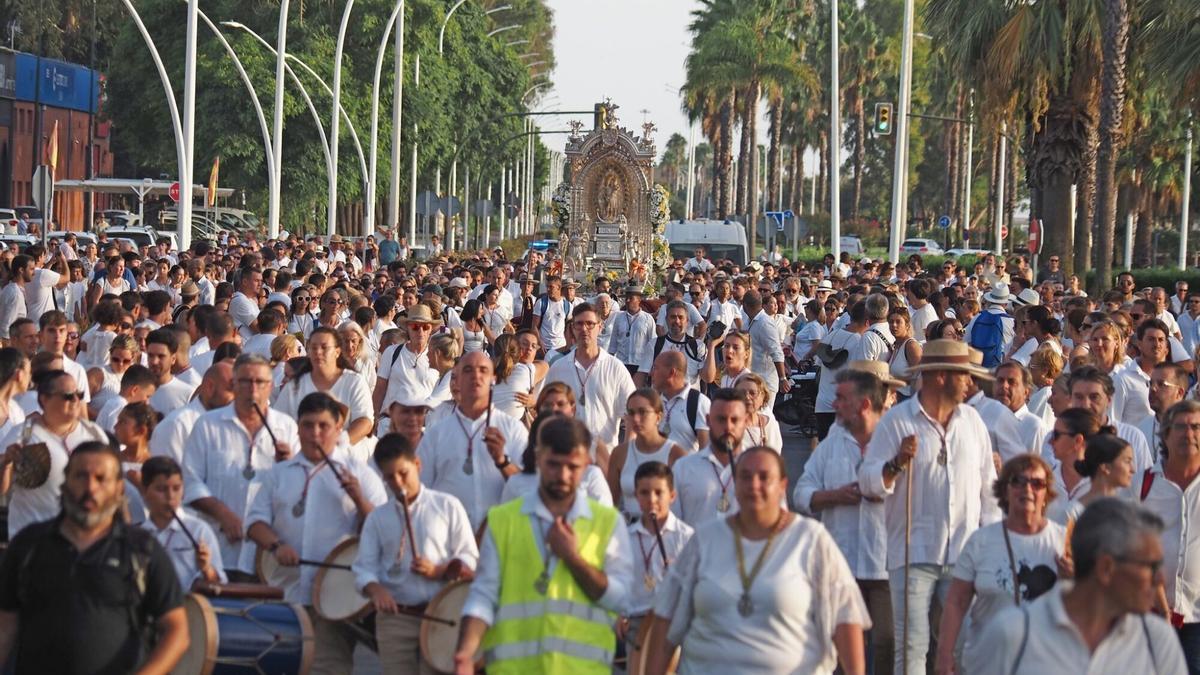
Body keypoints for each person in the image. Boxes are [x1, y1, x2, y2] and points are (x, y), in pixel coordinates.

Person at [647, 446, 870, 674]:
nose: (754, 485)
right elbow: (666, 618)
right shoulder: (704, 540)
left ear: (783, 486)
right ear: (734, 482)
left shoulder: (811, 540)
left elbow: (845, 619)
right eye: (745, 477)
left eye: (764, 477)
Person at [858, 339, 1001, 675]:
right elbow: (868, 481)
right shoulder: (897, 421)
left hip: (964, 555)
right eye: (964, 375)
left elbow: (989, 491)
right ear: (940, 377)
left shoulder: (973, 422)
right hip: (912, 554)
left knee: (963, 648)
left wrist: (990, 546)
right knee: (911, 651)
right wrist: (895, 464)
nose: (970, 382)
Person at [454, 416, 634, 675]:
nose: (562, 475)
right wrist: (466, 652)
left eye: (572, 467)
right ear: (538, 458)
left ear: (587, 464)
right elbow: (484, 594)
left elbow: (620, 599)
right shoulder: (503, 520)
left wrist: (573, 558)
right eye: (553, 464)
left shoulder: (607, 522)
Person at [0, 441, 190, 674]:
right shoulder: (28, 545)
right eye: (81, 476)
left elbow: (177, 631)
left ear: (119, 489)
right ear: (66, 481)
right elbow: (5, 626)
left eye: (101, 479)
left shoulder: (142, 550)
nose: (90, 487)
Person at [246, 391, 387, 674]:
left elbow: (384, 530)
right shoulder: (278, 474)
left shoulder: (360, 474)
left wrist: (359, 499)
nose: (315, 433)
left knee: (328, 668)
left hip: (334, 602)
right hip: (284, 596)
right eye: (308, 425)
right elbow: (255, 524)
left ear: (338, 429)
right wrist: (276, 547)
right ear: (298, 428)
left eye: (324, 426)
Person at [966, 498, 1185, 674]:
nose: (1160, 581)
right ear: (1106, 568)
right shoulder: (1013, 635)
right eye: (1150, 567)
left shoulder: (1157, 641)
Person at [796, 361, 905, 675]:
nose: (834, 404)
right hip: (841, 563)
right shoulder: (832, 443)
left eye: (842, 398)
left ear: (865, 402)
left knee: (887, 642)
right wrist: (833, 496)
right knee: (841, 646)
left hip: (886, 564)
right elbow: (802, 492)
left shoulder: (900, 442)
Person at [354, 433, 479, 674]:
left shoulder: (447, 505)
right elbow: (363, 568)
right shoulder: (378, 519)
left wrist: (439, 570)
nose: (399, 483)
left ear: (418, 465)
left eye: (404, 473)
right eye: (390, 478)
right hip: (395, 618)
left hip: (441, 612)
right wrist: (375, 589)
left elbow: (469, 558)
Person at [935, 454, 1069, 673]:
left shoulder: (1063, 542)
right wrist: (944, 655)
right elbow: (956, 601)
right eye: (1018, 481)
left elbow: (1085, 604)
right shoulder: (981, 541)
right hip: (989, 661)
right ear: (1005, 491)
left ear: (1046, 494)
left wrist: (1073, 578)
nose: (1027, 489)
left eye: (1037, 483)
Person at [183, 354, 299, 579]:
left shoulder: (286, 427)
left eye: (260, 383)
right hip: (218, 550)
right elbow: (190, 481)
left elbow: (298, 488)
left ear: (271, 386)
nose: (253, 390)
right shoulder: (208, 425)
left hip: (266, 556)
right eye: (245, 381)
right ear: (234, 384)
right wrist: (223, 514)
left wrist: (289, 466)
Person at [417, 351, 528, 530]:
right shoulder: (436, 434)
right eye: (468, 370)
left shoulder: (512, 429)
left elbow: (529, 488)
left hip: (499, 536)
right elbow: (421, 493)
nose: (476, 375)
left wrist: (503, 461)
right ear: (457, 380)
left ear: (493, 379)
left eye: (483, 370)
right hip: (449, 539)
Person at [0, 370, 110, 537]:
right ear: (44, 399)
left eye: (78, 394)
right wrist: (6, 463)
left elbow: (112, 486)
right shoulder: (23, 435)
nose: (75, 400)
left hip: (80, 544)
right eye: (67, 396)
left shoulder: (94, 434)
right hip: (32, 544)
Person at [1137, 399, 1200, 670]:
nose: (1189, 434)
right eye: (1181, 427)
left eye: (1197, 427)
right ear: (1165, 434)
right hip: (1149, 613)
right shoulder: (1142, 484)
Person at [544, 303, 635, 451]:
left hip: (603, 457)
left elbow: (633, 414)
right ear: (573, 328)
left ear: (600, 327)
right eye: (579, 324)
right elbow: (546, 413)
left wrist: (625, 453)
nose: (584, 329)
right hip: (566, 456)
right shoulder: (558, 368)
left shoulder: (615, 368)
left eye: (590, 324)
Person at [139, 455, 227, 591]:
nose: (170, 497)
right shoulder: (138, 535)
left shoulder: (199, 530)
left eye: (176, 488)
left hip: (189, 606)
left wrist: (206, 568)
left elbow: (219, 584)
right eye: (161, 489)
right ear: (144, 491)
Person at [274, 327, 374, 446]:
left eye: (324, 347)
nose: (318, 352)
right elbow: (278, 422)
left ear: (337, 352)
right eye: (314, 348)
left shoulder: (354, 382)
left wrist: (338, 444)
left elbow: (365, 421)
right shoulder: (295, 385)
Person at [671, 387, 753, 526]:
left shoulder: (759, 469)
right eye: (721, 419)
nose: (728, 427)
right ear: (708, 420)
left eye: (735, 420)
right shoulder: (683, 469)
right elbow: (672, 525)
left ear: (745, 421)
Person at [607, 388, 688, 520]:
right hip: (630, 533)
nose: (636, 419)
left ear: (658, 416)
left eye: (642, 412)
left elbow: (686, 505)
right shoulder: (620, 453)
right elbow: (610, 506)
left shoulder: (676, 454)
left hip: (665, 532)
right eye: (631, 413)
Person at [1068, 366, 1154, 475]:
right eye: (1079, 397)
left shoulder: (1132, 436)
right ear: (1070, 399)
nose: (1086, 405)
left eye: (1094, 397)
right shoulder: (1058, 438)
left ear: (1109, 400)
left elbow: (1146, 485)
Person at [374, 304, 441, 415]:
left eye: (425, 327)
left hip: (423, 425)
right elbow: (380, 389)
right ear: (407, 328)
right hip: (390, 423)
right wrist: (374, 417)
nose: (420, 331)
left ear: (430, 330)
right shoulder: (392, 352)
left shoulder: (437, 357)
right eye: (415, 327)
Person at [1045, 408, 1107, 524]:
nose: (1050, 441)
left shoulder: (1103, 486)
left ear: (1078, 441)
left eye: (1056, 435)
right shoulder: (1043, 482)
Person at [650, 350, 710, 452]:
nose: (650, 373)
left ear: (671, 372)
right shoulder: (652, 401)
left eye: (655, 368)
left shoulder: (699, 403)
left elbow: (706, 452)